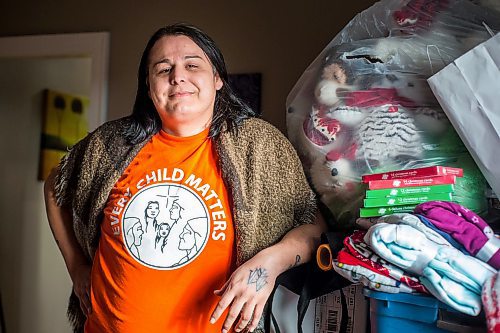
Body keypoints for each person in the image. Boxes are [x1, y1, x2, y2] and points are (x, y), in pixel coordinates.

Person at [44, 22, 325, 333]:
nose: (178, 76)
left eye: (192, 65)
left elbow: (313, 222)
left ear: (217, 78)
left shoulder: (259, 147)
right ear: (149, 85)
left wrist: (271, 262)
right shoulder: (108, 145)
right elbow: (56, 184)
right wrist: (76, 266)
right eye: (163, 69)